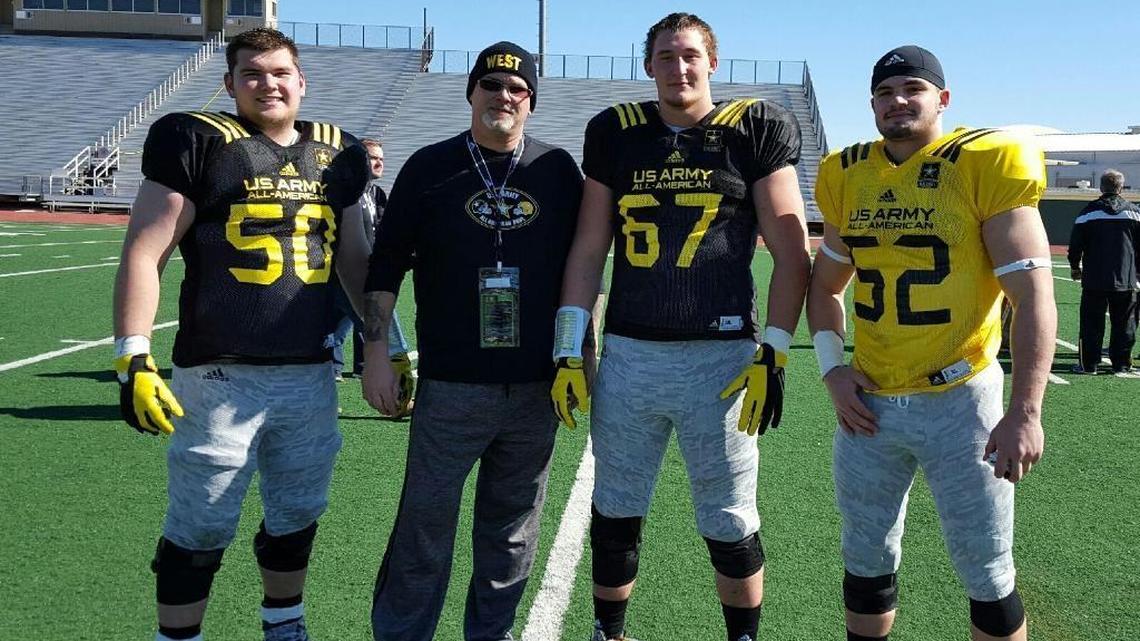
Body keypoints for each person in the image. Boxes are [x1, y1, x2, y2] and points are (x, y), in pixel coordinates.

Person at [111, 28, 378, 641]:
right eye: (252, 73)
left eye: (280, 72)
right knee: (201, 523)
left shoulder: (336, 151)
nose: (268, 84)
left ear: (301, 81)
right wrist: (134, 355)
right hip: (218, 372)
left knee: (297, 513)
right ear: (229, 84)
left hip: (310, 368)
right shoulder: (198, 139)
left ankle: (284, 623)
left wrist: (388, 341)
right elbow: (145, 252)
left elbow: (354, 261)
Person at [550, 12, 810, 641]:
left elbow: (792, 250)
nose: (679, 67)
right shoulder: (616, 131)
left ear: (712, 62)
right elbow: (588, 248)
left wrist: (774, 350)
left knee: (730, 519)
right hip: (631, 353)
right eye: (666, 56)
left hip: (721, 359)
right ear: (649, 65)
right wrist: (567, 349)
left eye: (691, 54)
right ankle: (609, 632)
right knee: (615, 510)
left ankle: (741, 636)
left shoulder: (753, 128)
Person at [807, 45, 1056, 641]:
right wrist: (832, 370)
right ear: (871, 104)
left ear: (942, 99)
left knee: (987, 570)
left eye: (912, 89)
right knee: (865, 559)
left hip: (961, 399)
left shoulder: (983, 162)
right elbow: (826, 287)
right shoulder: (847, 172)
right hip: (870, 406)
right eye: (885, 92)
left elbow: (1033, 296)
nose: (897, 101)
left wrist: (1026, 411)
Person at [360, 41, 584, 641]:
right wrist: (377, 354)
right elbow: (386, 265)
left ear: (531, 100)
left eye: (517, 88)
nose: (503, 96)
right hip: (451, 383)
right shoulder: (429, 166)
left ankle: (492, 633)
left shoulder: (557, 170)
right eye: (491, 84)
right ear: (471, 93)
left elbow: (583, 269)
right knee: (424, 527)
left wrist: (581, 356)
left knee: (512, 532)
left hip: (535, 386)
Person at [330, 138, 393, 380]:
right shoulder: (346, 190)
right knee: (366, 316)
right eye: (373, 158)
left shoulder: (376, 192)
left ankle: (352, 365)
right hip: (346, 267)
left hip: (370, 265)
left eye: (381, 159)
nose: (379, 163)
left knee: (342, 320)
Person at [1067, 169, 1140, 377]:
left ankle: (1089, 365)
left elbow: (1075, 245)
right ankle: (1122, 364)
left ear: (1101, 187)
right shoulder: (1135, 212)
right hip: (1126, 279)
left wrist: (1075, 267)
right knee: (1125, 324)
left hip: (1094, 279)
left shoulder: (1088, 212)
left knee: (1091, 323)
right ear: (1121, 187)